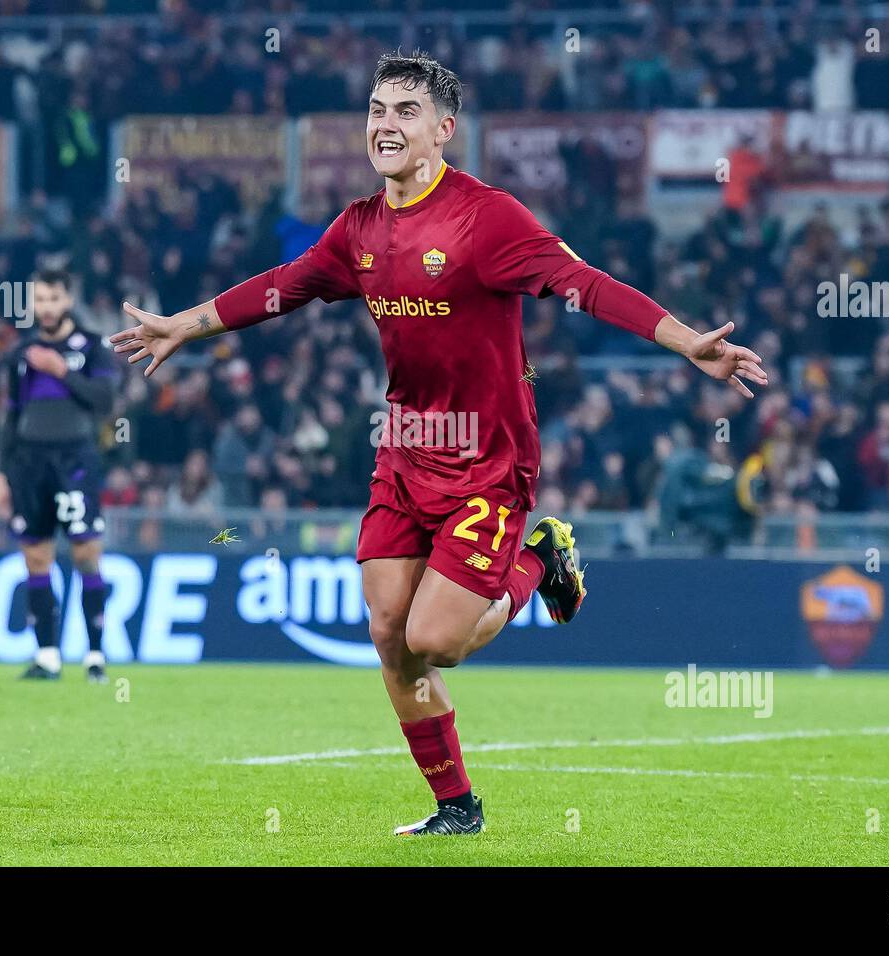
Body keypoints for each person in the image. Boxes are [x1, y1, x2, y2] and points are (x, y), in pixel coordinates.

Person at [111, 52, 767, 835]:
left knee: (435, 641)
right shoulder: (357, 228)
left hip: (490, 460)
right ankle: (456, 807)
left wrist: (687, 341)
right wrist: (185, 323)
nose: (385, 125)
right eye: (378, 110)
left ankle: (540, 559)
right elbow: (285, 285)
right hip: (406, 449)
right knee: (391, 638)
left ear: (443, 130)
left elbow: (584, 283)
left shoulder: (486, 219)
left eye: (405, 112)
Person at [0, 270, 117, 683]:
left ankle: (95, 655)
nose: (46, 307)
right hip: (29, 463)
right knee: (36, 556)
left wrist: (62, 371)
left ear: (67, 299)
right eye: (39, 299)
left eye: (53, 298)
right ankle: (47, 657)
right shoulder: (20, 353)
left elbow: (103, 401)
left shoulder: (92, 346)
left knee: (85, 554)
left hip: (75, 460)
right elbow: (10, 416)